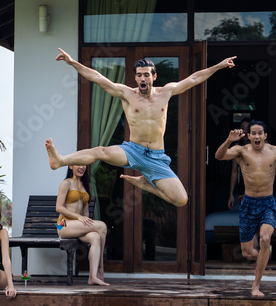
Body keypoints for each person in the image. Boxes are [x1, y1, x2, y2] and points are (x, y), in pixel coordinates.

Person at [46, 49, 236, 207]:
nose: (142, 78)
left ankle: (146, 185)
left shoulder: (166, 92)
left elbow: (194, 79)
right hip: (133, 151)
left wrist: (219, 66)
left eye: (146, 74)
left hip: (157, 158)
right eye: (139, 75)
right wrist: (72, 63)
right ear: (135, 78)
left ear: (153, 76)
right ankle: (60, 160)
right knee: (101, 151)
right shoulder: (126, 94)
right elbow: (96, 77)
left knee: (181, 200)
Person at [214, 120, 276, 297]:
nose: (257, 136)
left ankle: (256, 286)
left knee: (265, 238)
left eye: (260, 133)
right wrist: (229, 140)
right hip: (248, 204)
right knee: (248, 253)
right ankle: (262, 257)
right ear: (249, 136)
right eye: (253, 133)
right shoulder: (241, 151)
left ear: (265, 135)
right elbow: (219, 156)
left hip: (267, 203)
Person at [56, 164, 109, 286]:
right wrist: (79, 217)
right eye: (78, 164)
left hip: (76, 226)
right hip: (63, 224)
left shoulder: (85, 186)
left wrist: (88, 225)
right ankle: (101, 269)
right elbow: (58, 207)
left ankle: (93, 276)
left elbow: (85, 213)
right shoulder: (66, 183)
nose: (81, 167)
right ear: (70, 166)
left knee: (95, 236)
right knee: (102, 226)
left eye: (84, 164)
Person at [227, 117, 252, 210]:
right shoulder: (237, 147)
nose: (245, 130)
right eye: (243, 128)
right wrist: (231, 194)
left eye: (248, 127)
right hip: (243, 187)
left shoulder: (260, 145)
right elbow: (234, 172)